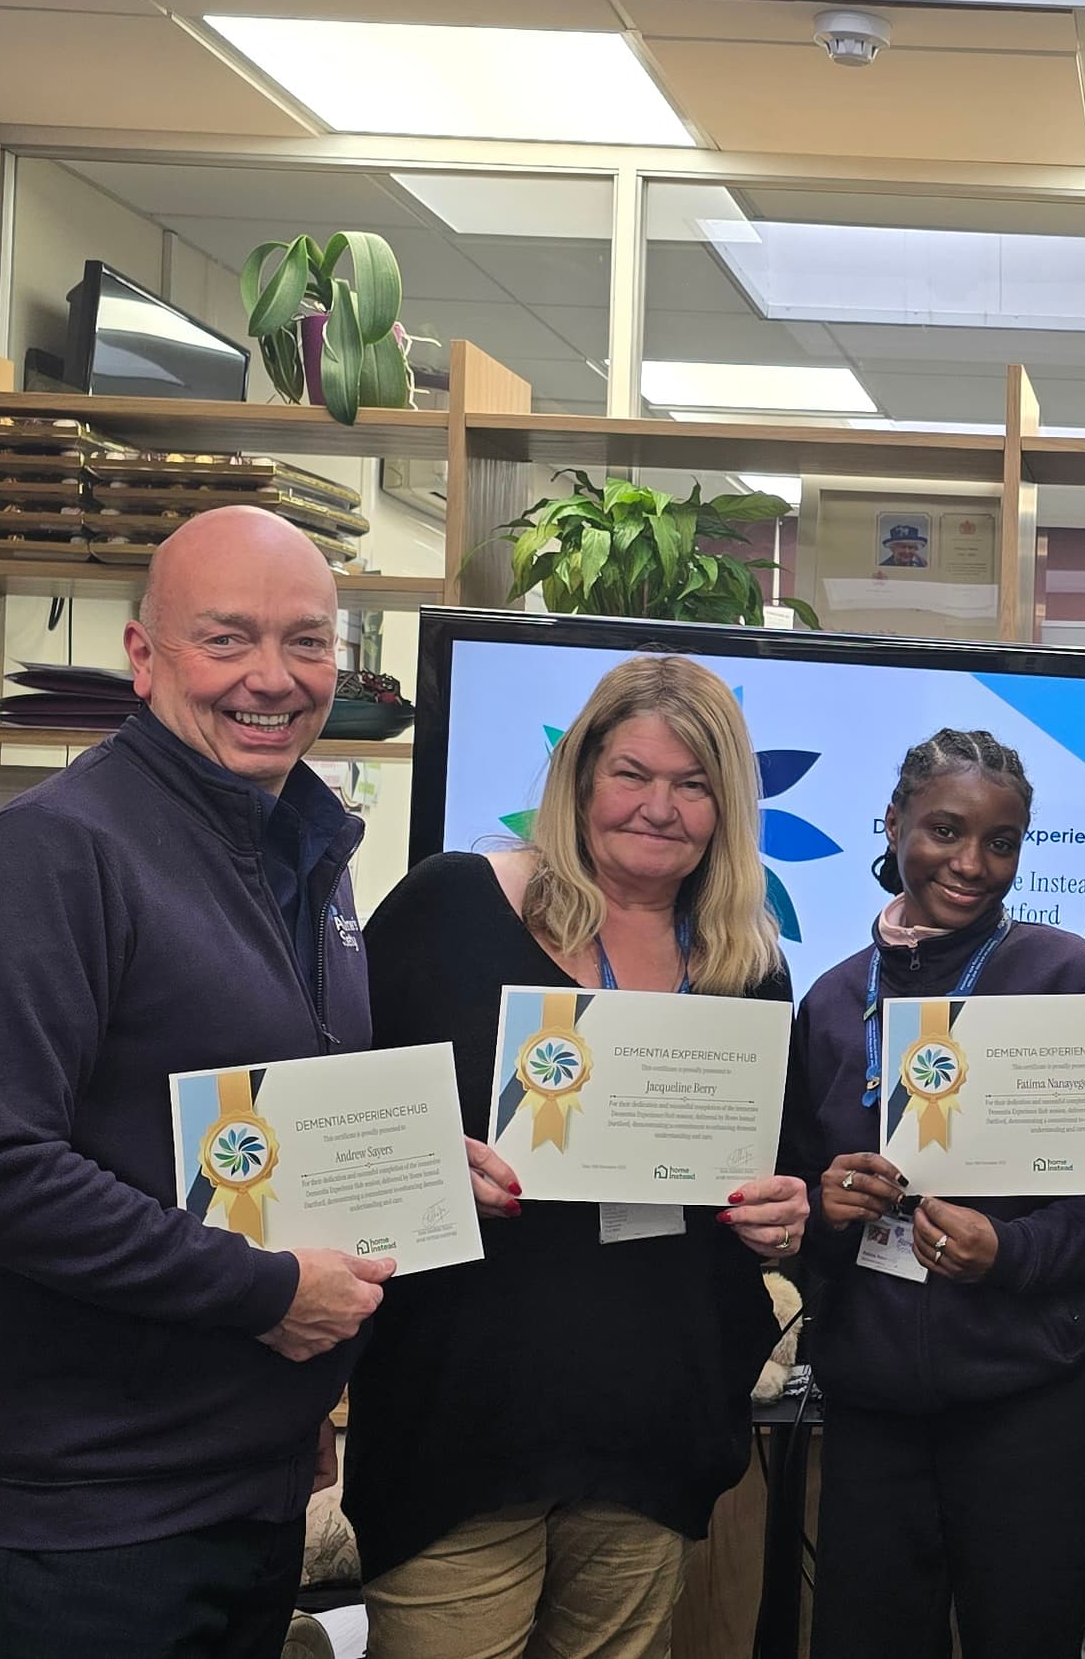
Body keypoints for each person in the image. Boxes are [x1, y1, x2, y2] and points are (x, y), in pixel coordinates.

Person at [0, 506, 385, 1659]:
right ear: (143, 654)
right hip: (84, 1523)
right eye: (227, 639)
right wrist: (264, 1291)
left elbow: (260, 1127)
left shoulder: (307, 855)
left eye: (307, 642)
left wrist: (411, 1163)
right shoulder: (52, 854)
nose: (271, 678)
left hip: (238, 1484)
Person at [346, 655, 814, 1659]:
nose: (660, 807)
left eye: (693, 786)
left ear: (726, 809)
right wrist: (430, 1160)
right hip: (461, 1420)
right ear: (579, 779)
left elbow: (772, 1171)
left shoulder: (748, 965)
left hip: (648, 1425)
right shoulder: (449, 908)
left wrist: (783, 1211)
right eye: (633, 773)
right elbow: (333, 1119)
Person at [782, 730, 1085, 1659]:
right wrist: (827, 1211)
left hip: (1029, 1409)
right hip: (874, 1416)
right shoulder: (834, 1002)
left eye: (1000, 842)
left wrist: (1013, 1254)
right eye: (945, 831)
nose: (971, 864)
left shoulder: (1074, 979)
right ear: (894, 823)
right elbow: (790, 1203)